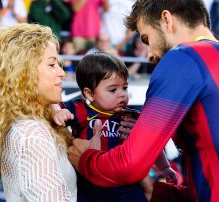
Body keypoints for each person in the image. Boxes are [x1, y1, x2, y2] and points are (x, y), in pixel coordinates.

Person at [67, 0, 219, 201]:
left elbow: (131, 165)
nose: (149, 54)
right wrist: (154, 191)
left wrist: (87, 159)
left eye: (147, 38)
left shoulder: (184, 58)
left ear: (167, 20)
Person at [0, 23, 77, 201]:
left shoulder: (31, 124)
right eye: (52, 64)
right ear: (24, 73)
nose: (61, 72)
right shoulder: (30, 134)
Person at [52, 52, 178, 202]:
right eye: (113, 90)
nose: (122, 94)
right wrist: (59, 112)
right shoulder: (78, 110)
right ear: (90, 94)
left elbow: (150, 147)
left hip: (126, 186)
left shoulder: (132, 117)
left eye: (124, 87)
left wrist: (164, 168)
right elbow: (53, 106)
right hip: (89, 185)